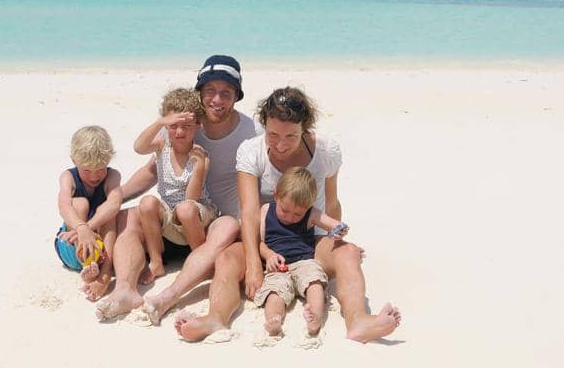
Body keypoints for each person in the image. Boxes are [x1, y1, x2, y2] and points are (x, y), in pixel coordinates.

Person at [173, 85, 401, 345]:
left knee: (347, 253)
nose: (280, 145)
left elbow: (332, 203)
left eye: (291, 136)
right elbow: (248, 213)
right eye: (273, 135)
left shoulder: (326, 150)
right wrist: (253, 266)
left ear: (305, 128)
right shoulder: (251, 151)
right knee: (226, 257)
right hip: (264, 243)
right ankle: (215, 318)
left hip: (309, 243)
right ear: (264, 127)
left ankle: (358, 320)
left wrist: (335, 239)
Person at [131, 55, 256, 325]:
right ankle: (126, 286)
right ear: (199, 94)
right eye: (210, 91)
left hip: (215, 220)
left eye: (226, 93)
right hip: (174, 220)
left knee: (221, 224)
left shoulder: (249, 131)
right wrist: (116, 195)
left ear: (236, 96)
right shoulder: (182, 124)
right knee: (137, 210)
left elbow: (264, 181)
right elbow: (151, 166)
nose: (217, 100)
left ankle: (170, 294)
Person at [256, 167, 351, 339]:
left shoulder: (311, 213)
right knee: (274, 293)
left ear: (308, 206)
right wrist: (269, 255)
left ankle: (315, 318)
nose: (290, 217)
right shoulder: (265, 211)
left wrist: (339, 230)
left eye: (298, 214)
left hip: (305, 261)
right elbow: (260, 243)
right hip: (278, 265)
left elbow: (337, 224)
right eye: (285, 210)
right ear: (276, 194)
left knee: (315, 284)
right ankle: (274, 320)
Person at [135, 88, 217, 283]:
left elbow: (192, 197)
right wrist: (160, 122)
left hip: (196, 214)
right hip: (170, 214)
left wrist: (198, 168)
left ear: (197, 124)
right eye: (174, 126)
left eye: (187, 125)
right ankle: (156, 263)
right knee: (147, 202)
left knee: (185, 208)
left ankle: (201, 262)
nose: (180, 131)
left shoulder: (200, 155)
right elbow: (138, 147)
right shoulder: (162, 145)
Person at [53, 125, 125, 304]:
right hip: (71, 246)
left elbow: (115, 203)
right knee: (79, 203)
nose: (94, 177)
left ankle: (105, 273)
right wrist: (80, 229)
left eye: (101, 169)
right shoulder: (67, 177)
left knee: (109, 210)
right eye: (86, 170)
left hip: (101, 250)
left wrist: (88, 228)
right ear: (74, 160)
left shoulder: (113, 176)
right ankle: (87, 264)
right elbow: (63, 205)